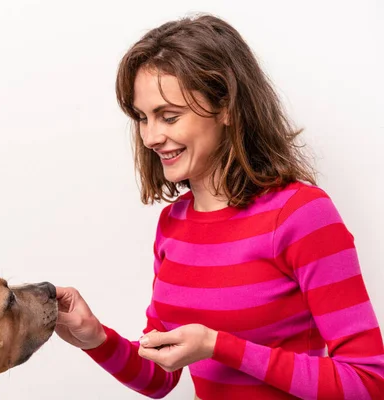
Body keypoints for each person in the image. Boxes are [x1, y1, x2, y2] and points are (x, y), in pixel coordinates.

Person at [54, 13, 384, 400]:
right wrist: (93, 337)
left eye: (169, 116)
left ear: (226, 106)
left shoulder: (301, 214)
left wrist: (219, 346)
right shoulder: (173, 224)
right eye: (142, 118)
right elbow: (161, 376)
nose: (151, 137)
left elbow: (368, 381)